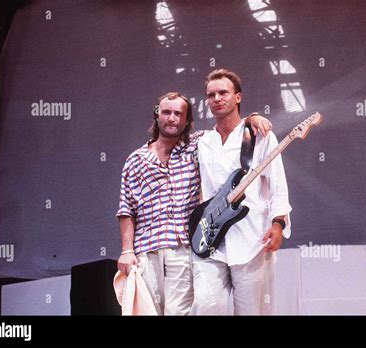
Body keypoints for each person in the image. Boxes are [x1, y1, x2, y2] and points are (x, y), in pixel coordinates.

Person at [116, 92, 271, 315]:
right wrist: (126, 250)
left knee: (179, 313)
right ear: (156, 114)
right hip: (145, 249)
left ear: (187, 121)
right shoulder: (136, 159)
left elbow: (229, 127)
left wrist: (252, 118)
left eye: (179, 114)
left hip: (182, 248)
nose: (172, 118)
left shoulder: (198, 145)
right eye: (166, 112)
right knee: (146, 312)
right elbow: (126, 208)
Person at [190, 69, 292, 315]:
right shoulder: (202, 142)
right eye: (211, 95)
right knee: (205, 306)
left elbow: (278, 183)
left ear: (238, 97)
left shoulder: (259, 136)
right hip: (210, 238)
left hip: (251, 240)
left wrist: (278, 223)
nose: (217, 99)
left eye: (223, 92)